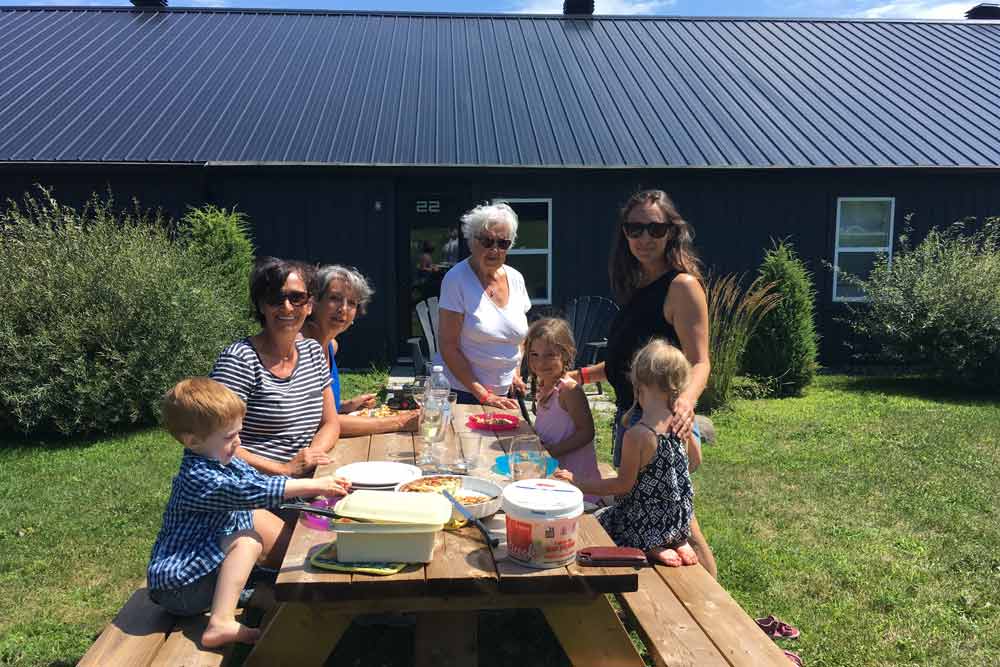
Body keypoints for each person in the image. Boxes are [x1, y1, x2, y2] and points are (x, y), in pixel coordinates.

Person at [570, 189, 717, 577]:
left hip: (660, 423)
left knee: (680, 522)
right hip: (632, 417)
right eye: (635, 229)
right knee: (652, 522)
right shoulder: (640, 285)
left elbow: (700, 361)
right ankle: (672, 610)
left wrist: (684, 403)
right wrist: (584, 375)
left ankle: (719, 614)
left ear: (672, 232)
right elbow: (629, 361)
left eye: (655, 228)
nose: (644, 238)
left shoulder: (681, 286)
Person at [148, 378, 350, 647]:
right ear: (193, 440)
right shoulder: (199, 478)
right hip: (180, 587)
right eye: (230, 436)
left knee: (271, 580)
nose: (238, 442)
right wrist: (316, 483)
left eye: (238, 432)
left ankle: (266, 602)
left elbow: (261, 483)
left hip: (201, 571)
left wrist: (313, 493)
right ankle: (220, 623)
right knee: (247, 542)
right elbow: (254, 492)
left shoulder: (223, 461)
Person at [556, 340, 700, 567]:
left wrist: (577, 483)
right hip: (678, 520)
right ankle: (676, 539)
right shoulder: (680, 423)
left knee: (594, 521)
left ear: (638, 384)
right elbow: (695, 462)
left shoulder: (638, 435)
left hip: (642, 524)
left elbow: (622, 486)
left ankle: (651, 544)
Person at [210, 257, 339, 478]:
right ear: (262, 305)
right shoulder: (240, 360)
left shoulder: (313, 352)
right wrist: (284, 470)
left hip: (306, 480)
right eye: (275, 298)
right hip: (252, 488)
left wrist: (311, 457)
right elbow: (212, 442)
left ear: (309, 305)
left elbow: (330, 423)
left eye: (297, 297)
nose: (287, 306)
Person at [302, 264, 419, 436]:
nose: (343, 309)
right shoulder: (301, 348)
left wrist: (344, 405)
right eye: (334, 298)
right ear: (314, 302)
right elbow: (318, 422)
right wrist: (399, 422)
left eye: (351, 303)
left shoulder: (330, 346)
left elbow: (316, 407)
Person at [437, 202, 531, 407]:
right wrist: (484, 395)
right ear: (472, 241)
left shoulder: (516, 279)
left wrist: (515, 374)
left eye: (503, 243)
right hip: (465, 394)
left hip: (507, 394)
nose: (494, 250)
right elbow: (448, 346)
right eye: (487, 241)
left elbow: (519, 339)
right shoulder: (456, 280)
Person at [525, 318, 600, 503]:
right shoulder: (545, 385)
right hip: (553, 475)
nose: (541, 362)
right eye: (534, 354)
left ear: (565, 355)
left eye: (549, 355)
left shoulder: (568, 390)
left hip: (576, 484)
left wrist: (553, 451)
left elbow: (587, 432)